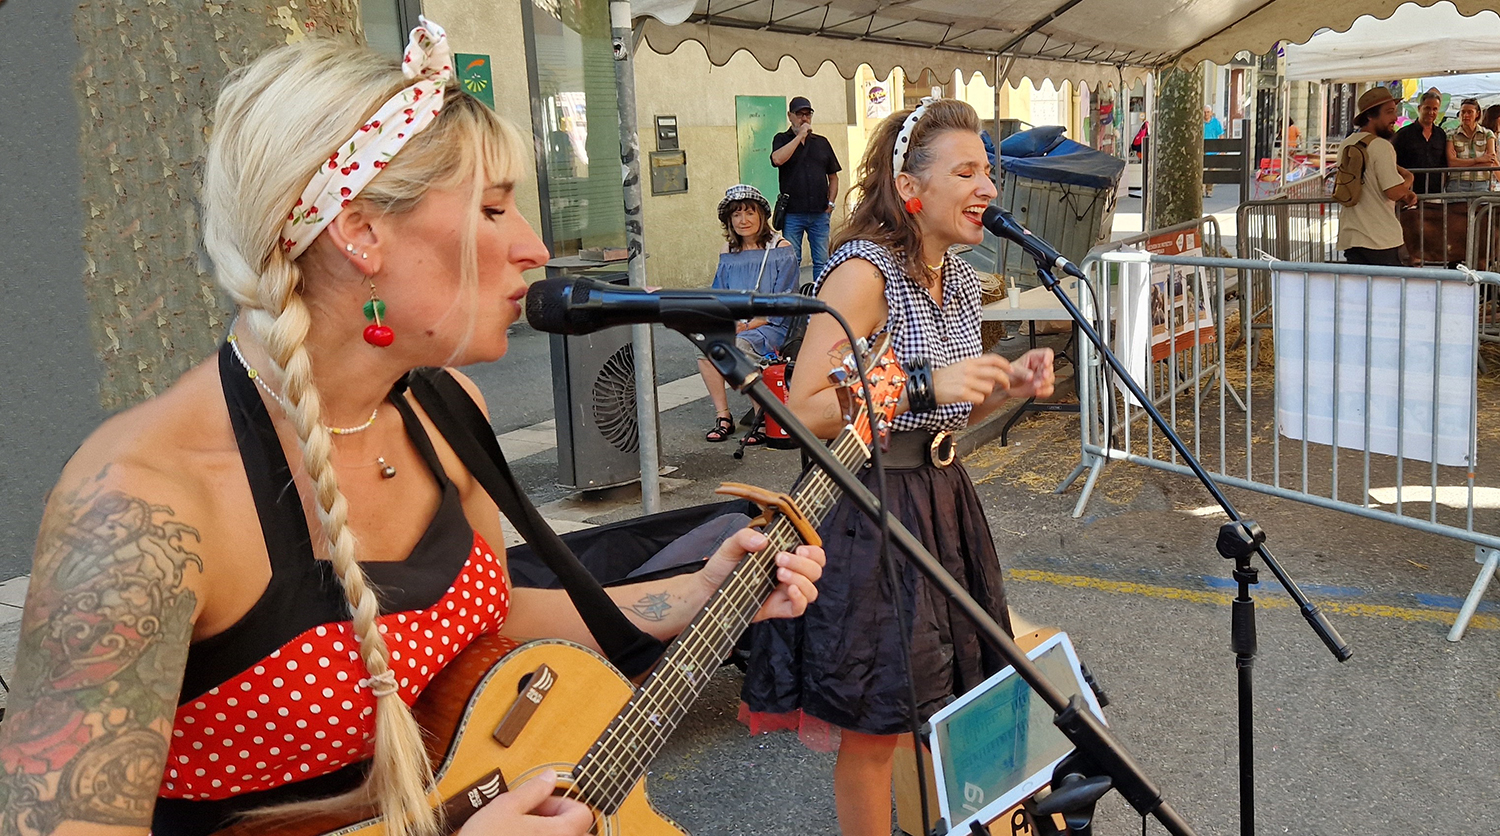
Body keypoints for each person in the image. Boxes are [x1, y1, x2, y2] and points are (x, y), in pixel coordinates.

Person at [0, 21, 826, 836]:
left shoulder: (445, 405)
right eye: (495, 209)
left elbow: (482, 632)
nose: (535, 248)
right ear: (360, 231)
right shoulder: (138, 507)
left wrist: (691, 594)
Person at [740, 98, 1056, 836]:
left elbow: (945, 411)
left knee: (943, 698)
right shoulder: (862, 272)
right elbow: (807, 407)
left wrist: (1000, 385)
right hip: (868, 509)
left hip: (942, 499)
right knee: (879, 723)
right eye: (967, 172)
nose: (988, 189)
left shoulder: (962, 278)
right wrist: (924, 382)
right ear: (911, 190)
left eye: (990, 173)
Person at [699, 184, 798, 443]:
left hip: (771, 325)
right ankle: (724, 417)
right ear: (729, 220)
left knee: (741, 346)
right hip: (739, 324)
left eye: (750, 213)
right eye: (736, 215)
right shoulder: (728, 251)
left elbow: (784, 300)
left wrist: (746, 326)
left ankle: (761, 418)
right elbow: (719, 295)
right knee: (705, 348)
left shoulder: (781, 247)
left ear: (762, 216)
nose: (743, 220)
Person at [1336, 86, 1418, 266]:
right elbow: (1394, 192)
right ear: (1370, 116)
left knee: (1361, 292)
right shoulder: (1381, 146)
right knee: (1389, 292)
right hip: (1380, 238)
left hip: (1352, 237)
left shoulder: (1347, 144)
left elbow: (1368, 173)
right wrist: (1408, 180)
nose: (1395, 118)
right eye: (1389, 112)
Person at [771, 96, 842, 282]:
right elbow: (777, 159)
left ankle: (819, 299)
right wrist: (800, 136)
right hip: (793, 214)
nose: (804, 118)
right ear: (790, 116)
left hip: (820, 213)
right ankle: (792, 302)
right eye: (799, 114)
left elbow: (833, 176)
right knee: (791, 260)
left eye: (807, 114)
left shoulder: (822, 142)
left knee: (822, 260)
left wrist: (831, 203)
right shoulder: (781, 139)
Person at [1393, 89, 1448, 194]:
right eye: (1427, 108)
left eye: (1435, 109)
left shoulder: (1441, 134)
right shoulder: (1403, 134)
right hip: (1409, 192)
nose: (1431, 112)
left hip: (1435, 192)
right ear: (1419, 108)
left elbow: (1444, 163)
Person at [1447, 97, 1498, 193]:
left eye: (1470, 112)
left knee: (1483, 208)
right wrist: (1478, 160)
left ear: (1477, 114)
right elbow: (1451, 163)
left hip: (1482, 183)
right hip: (1457, 184)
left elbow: (1489, 162)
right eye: (1463, 112)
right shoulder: (1451, 135)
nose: (1466, 115)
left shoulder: (1488, 134)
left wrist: (1461, 163)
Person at [1202, 106, 1225, 196]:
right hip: (1202, 150)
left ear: (1211, 113)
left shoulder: (1216, 123)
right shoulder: (1200, 123)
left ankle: (1209, 190)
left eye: (1208, 112)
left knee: (1211, 172)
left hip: (1213, 151)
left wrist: (1222, 149)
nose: (1206, 114)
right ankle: (1202, 190)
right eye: (1204, 112)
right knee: (1202, 171)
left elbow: (1221, 135)